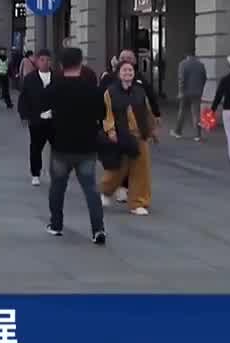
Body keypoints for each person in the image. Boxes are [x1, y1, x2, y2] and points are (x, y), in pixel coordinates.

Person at [44, 48, 107, 244]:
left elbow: (42, 108)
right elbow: (102, 114)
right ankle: (98, 229)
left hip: (61, 145)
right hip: (87, 146)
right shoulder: (92, 89)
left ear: (61, 65)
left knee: (57, 187)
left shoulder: (55, 88)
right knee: (91, 189)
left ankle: (56, 224)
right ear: (81, 63)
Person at [99, 61, 158, 216]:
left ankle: (138, 203)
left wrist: (152, 130)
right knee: (117, 169)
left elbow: (147, 111)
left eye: (130, 70)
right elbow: (107, 114)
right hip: (121, 135)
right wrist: (110, 131)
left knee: (141, 171)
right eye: (124, 70)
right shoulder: (110, 92)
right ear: (119, 73)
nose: (128, 73)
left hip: (140, 135)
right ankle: (105, 192)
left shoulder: (140, 91)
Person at [17, 49, 55, 188]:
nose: (45, 62)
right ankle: (35, 173)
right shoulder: (30, 79)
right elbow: (23, 98)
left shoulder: (57, 78)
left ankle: (55, 173)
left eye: (48, 60)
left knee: (57, 149)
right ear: (37, 61)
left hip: (54, 120)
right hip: (36, 119)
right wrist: (24, 115)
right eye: (42, 60)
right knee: (36, 147)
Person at [172, 49, 208, 141]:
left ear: (186, 55)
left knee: (182, 112)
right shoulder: (201, 64)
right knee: (196, 113)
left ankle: (178, 132)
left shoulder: (183, 64)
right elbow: (204, 78)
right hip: (197, 92)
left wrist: (180, 92)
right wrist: (200, 88)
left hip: (185, 92)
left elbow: (181, 79)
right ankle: (198, 135)